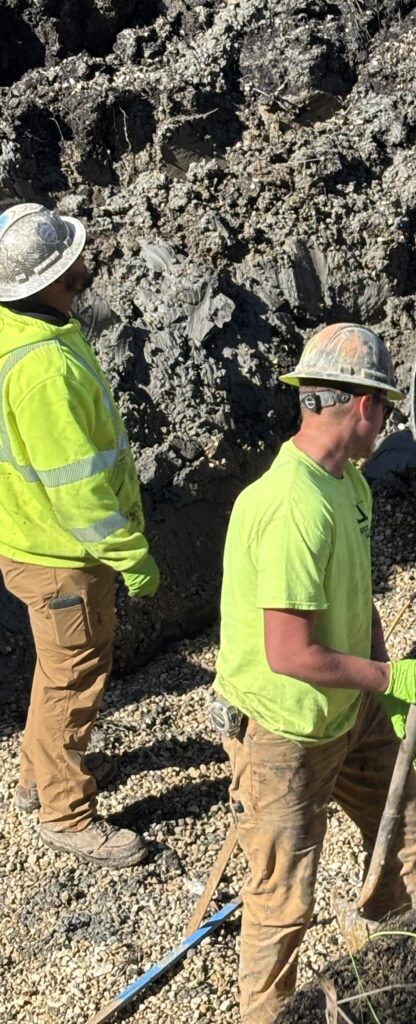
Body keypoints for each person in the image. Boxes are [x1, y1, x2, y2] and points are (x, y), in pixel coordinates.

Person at [213, 323, 416, 1022]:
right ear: (365, 406)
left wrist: (383, 673)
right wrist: (388, 681)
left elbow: (355, 591)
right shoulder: (294, 507)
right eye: (386, 409)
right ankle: (266, 1015)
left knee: (408, 833)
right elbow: (289, 654)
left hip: (347, 706)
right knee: (283, 899)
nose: (386, 424)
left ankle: (404, 967)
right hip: (284, 730)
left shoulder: (348, 484)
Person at [0, 203, 159, 868]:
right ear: (55, 279)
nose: (86, 266)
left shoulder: (19, 329)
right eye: (74, 260)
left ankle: (36, 778)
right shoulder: (45, 369)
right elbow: (79, 489)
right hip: (63, 555)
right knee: (75, 677)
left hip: (28, 538)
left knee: (56, 666)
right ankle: (65, 814)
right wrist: (130, 554)